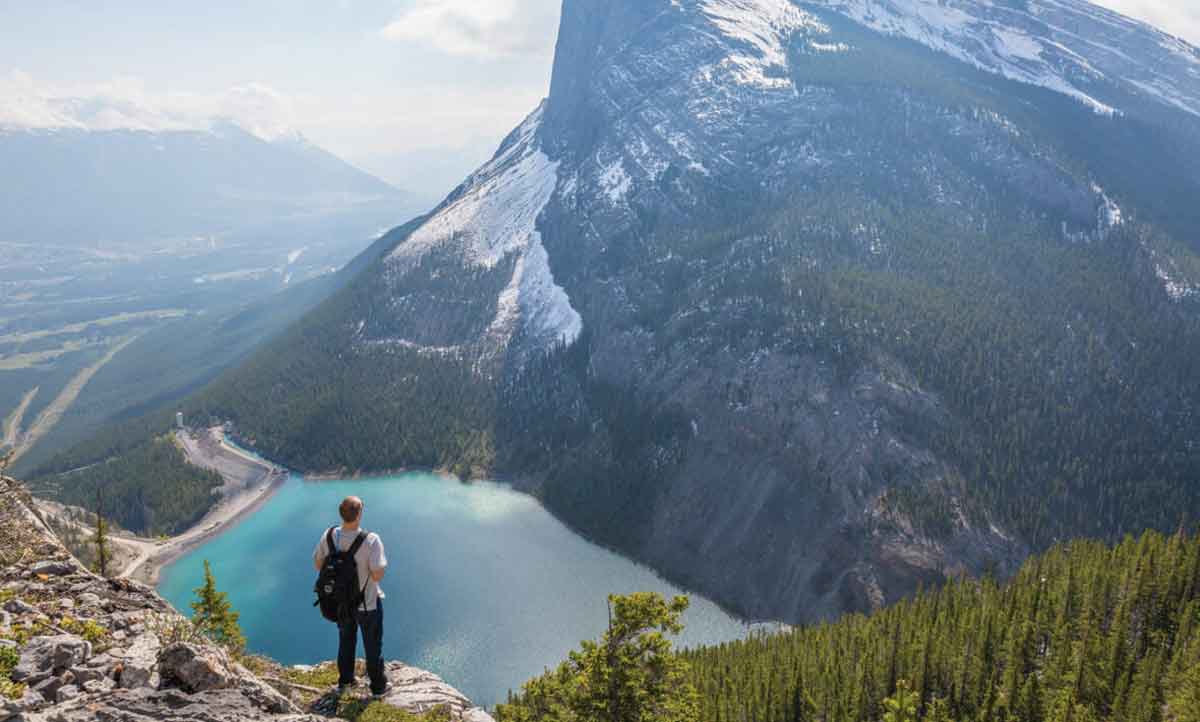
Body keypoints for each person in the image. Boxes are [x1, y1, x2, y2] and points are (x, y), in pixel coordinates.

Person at [313, 496, 389, 696]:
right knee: (372, 645)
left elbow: (318, 564)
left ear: (341, 512)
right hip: (367, 603)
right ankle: (378, 687)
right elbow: (377, 574)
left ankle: (346, 682)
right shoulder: (371, 540)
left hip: (342, 603)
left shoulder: (329, 535)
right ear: (359, 514)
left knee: (346, 641)